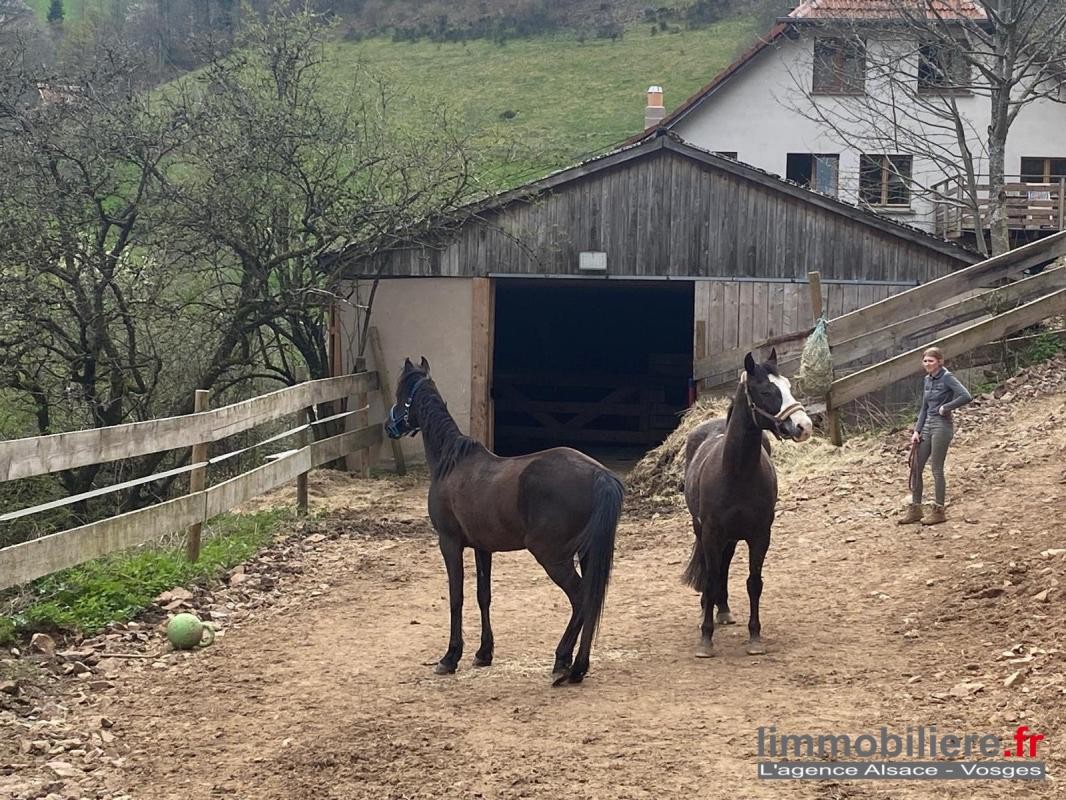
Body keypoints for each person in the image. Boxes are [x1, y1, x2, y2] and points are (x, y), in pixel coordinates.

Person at [898, 347, 972, 526]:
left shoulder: (947, 377)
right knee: (916, 466)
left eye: (931, 361)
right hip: (928, 425)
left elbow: (966, 396)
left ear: (939, 361)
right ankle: (916, 509)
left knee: (936, 469)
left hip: (942, 426)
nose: (927, 364)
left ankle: (939, 510)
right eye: (925, 361)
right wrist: (917, 430)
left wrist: (946, 407)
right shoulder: (927, 380)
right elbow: (924, 407)